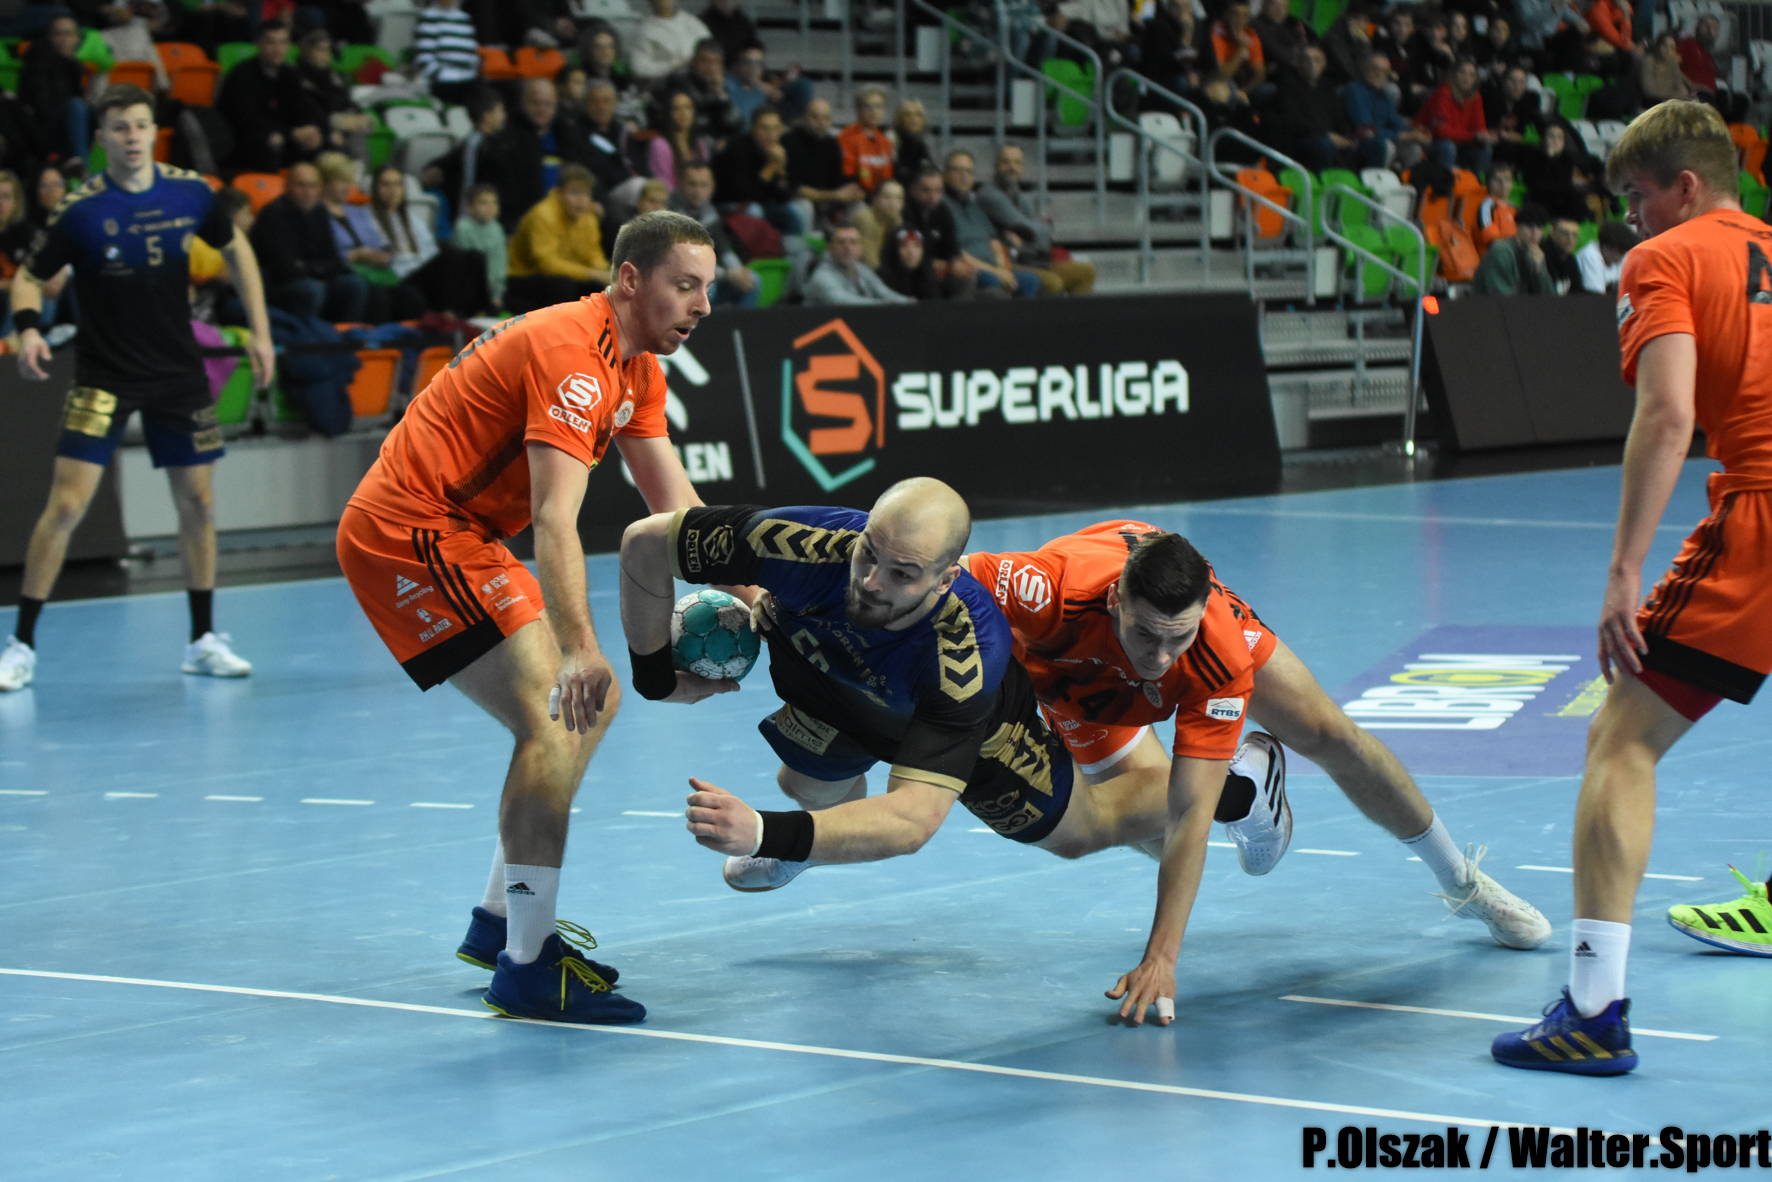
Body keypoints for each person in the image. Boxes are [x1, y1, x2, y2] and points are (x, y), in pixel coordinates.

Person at [335, 210, 727, 1025]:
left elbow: (675, 507)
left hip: (463, 532)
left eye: (708, 289)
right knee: (556, 714)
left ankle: (498, 922)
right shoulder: (573, 356)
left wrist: (762, 594)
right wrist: (581, 647)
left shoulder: (636, 366)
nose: (702, 305)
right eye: (685, 285)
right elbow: (554, 520)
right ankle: (525, 966)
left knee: (587, 708)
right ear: (630, 280)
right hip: (411, 530)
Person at [961, 522, 1551, 1014]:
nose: (1159, 657)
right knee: (1126, 831)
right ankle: (1241, 790)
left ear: (1199, 616)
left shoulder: (1215, 653)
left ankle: (1462, 880)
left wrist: (1161, 960)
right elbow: (942, 576)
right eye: (1145, 634)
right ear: (1117, 600)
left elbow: (1190, 812)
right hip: (1079, 687)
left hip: (1190, 661)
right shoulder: (1044, 589)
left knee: (1330, 736)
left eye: (1177, 637)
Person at [1490, 100, 1772, 1074]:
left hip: (1761, 515)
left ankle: (1592, 1010)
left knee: (1620, 739)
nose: (1629, 219)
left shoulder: (1663, 260)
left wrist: (1622, 571)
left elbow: (1666, 416)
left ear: (1684, 189)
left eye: (1636, 196)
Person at [0, 85, 275, 694]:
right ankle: (20, 645)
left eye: (141, 126)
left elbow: (236, 250)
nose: (132, 137)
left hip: (177, 373)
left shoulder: (189, 192)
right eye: (120, 127)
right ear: (101, 138)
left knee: (199, 503)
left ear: (155, 133)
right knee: (66, 505)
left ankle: (203, 640)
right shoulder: (80, 210)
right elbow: (27, 279)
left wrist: (260, 332)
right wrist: (29, 329)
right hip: (105, 375)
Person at [251, 160, 370, 322]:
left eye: (313, 186)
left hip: (313, 281)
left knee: (354, 283)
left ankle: (347, 333)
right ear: (286, 186)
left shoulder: (319, 211)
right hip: (279, 288)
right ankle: (304, 335)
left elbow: (334, 260)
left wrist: (310, 268)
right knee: (311, 289)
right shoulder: (273, 214)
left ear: (320, 188)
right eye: (301, 185)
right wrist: (319, 272)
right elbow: (284, 270)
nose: (308, 191)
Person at [973, 144, 1094, 296]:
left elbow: (1039, 239)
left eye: (1017, 162)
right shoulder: (989, 195)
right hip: (1005, 263)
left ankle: (1072, 312)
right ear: (995, 165)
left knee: (1087, 272)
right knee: (1053, 283)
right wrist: (1035, 232)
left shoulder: (1019, 195)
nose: (1012, 167)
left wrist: (1027, 237)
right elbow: (1030, 230)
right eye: (1006, 162)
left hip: (1030, 259)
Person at [368, 164, 489, 315]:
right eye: (386, 185)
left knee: (474, 257)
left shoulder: (410, 217)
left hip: (420, 267)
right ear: (375, 188)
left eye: (397, 184)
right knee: (446, 252)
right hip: (400, 274)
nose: (393, 190)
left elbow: (428, 248)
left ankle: (483, 310)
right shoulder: (368, 218)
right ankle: (449, 312)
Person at [215, 21, 325, 174]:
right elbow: (247, 119)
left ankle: (306, 185)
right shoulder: (242, 74)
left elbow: (302, 108)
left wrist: (308, 129)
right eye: (271, 42)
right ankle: (266, 186)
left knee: (316, 139)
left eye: (283, 43)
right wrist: (291, 133)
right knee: (272, 140)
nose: (277, 49)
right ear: (258, 44)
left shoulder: (290, 74)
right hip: (241, 139)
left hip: (283, 134)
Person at [505, 163, 612, 313]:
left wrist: (610, 274)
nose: (581, 200)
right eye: (574, 193)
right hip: (522, 276)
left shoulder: (587, 216)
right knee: (564, 286)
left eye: (586, 194)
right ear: (559, 193)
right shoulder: (543, 215)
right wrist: (592, 274)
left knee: (599, 289)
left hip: (567, 275)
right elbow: (547, 265)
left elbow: (593, 255)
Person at [942, 150, 1039, 298]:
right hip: (970, 268)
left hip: (992, 266)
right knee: (991, 280)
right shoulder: (942, 206)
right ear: (945, 174)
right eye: (958, 170)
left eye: (968, 171)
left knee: (1030, 281)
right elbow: (955, 252)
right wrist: (996, 272)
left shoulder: (975, 205)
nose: (964, 176)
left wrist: (1002, 268)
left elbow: (994, 243)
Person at [667, 161, 759, 306]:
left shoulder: (710, 213)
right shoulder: (670, 212)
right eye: (692, 184)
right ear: (680, 184)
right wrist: (728, 275)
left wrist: (738, 271)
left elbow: (724, 249)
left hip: (707, 274)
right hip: (676, 280)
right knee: (706, 288)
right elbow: (688, 261)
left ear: (711, 187)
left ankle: (739, 322)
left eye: (703, 185)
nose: (698, 191)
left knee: (753, 281)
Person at [483, 79, 569, 234]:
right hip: (522, 220)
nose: (542, 109)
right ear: (522, 103)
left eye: (548, 104)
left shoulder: (564, 133)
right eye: (536, 103)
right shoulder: (507, 138)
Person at [565, 81, 647, 217]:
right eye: (595, 101)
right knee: (641, 189)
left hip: (631, 187)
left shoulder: (622, 131)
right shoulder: (576, 134)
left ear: (615, 104)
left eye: (606, 101)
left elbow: (640, 163)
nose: (601, 106)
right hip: (605, 194)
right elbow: (589, 173)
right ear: (585, 104)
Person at [711, 104, 797, 233]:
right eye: (765, 128)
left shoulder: (778, 150)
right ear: (752, 128)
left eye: (775, 129)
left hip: (762, 204)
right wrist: (771, 167)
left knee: (800, 209)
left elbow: (784, 197)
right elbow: (744, 196)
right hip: (730, 206)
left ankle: (789, 245)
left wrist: (781, 171)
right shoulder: (737, 149)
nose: (771, 134)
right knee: (754, 210)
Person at [903, 165, 983, 300]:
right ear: (913, 189)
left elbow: (952, 248)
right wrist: (942, 265)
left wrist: (958, 264)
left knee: (968, 276)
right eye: (926, 190)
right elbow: (906, 255)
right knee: (927, 277)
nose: (932, 197)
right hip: (911, 272)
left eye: (937, 191)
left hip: (941, 271)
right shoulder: (904, 212)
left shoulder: (942, 210)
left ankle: (958, 313)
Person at [1268, 43, 1352, 171]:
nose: (1312, 64)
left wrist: (1348, 136)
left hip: (1326, 137)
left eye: (1316, 60)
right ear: (1299, 63)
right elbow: (1293, 120)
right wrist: (1326, 135)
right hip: (1301, 140)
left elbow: (1339, 118)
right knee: (1323, 144)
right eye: (1307, 60)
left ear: (1323, 64)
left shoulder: (1327, 87)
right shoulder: (1287, 84)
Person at [20, 14, 90, 164]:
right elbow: (41, 107)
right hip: (41, 129)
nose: (63, 40)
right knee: (76, 106)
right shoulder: (38, 62)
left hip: (64, 124)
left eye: (68, 34)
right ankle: (81, 164)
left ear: (77, 38)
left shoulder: (72, 65)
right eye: (57, 34)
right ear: (49, 37)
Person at [783, 97, 862, 231]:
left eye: (826, 118)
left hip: (826, 199)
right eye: (815, 117)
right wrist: (835, 195)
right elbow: (795, 189)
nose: (821, 122)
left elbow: (836, 180)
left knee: (859, 206)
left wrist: (853, 190)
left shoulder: (831, 144)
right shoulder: (790, 142)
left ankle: (845, 240)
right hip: (798, 200)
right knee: (805, 206)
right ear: (804, 117)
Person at [1344, 55, 1428, 169]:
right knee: (1387, 147)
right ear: (1365, 70)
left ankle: (1403, 178)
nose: (1379, 74)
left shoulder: (1383, 97)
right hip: (1355, 144)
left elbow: (1398, 126)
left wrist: (1416, 133)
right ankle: (1376, 179)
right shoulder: (1355, 90)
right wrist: (1403, 136)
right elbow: (1366, 132)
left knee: (1414, 150)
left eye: (1384, 72)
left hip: (1377, 141)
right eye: (1375, 69)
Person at [802, 220, 912, 305]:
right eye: (841, 242)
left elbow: (884, 292)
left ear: (861, 247)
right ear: (831, 248)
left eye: (853, 242)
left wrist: (910, 303)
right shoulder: (821, 275)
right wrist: (887, 305)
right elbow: (844, 302)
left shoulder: (861, 268)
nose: (847, 247)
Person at [1414, 59, 1495, 174]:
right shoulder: (1443, 92)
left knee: (1485, 150)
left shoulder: (1476, 97)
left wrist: (1485, 137)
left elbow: (1479, 128)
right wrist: (1473, 137)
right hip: (1428, 141)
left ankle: (1475, 183)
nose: (1467, 78)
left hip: (1459, 143)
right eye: (1462, 73)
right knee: (1448, 146)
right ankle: (1442, 183)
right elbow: (1441, 131)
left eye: (1471, 75)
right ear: (1454, 75)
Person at [660, 38, 744, 144]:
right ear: (694, 61)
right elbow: (689, 122)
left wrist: (720, 95)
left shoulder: (724, 85)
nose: (711, 67)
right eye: (705, 61)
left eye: (716, 62)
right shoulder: (679, 82)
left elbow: (736, 124)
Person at [412, 0, 482, 107]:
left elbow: (472, 55)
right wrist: (444, 76)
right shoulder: (428, 16)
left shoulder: (464, 18)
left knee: (503, 87)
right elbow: (424, 59)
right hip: (441, 82)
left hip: (467, 79)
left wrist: (471, 75)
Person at [1470, 200, 1550, 294]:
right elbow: (1502, 297)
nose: (1535, 233)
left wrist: (1539, 270)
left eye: (1539, 228)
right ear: (1518, 227)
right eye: (1529, 227)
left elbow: (1550, 297)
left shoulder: (1534, 255)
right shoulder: (1501, 253)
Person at [452, 183, 508, 308]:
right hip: (469, 289)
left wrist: (497, 293)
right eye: (483, 203)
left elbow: (499, 264)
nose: (490, 207)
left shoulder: (497, 229)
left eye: (494, 203)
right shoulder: (463, 227)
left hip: (494, 290)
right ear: (470, 207)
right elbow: (464, 267)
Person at [648, 89, 715, 192]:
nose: (683, 113)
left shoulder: (699, 144)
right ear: (668, 112)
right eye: (677, 109)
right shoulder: (660, 145)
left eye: (687, 107)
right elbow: (664, 186)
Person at [631, 0, 714, 82]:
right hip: (670, 83)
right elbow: (639, 69)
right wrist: (675, 67)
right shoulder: (646, 31)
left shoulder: (692, 22)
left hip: (703, 78)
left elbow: (711, 47)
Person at [838, 87, 894, 195]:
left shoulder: (886, 142)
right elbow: (847, 176)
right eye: (868, 106)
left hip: (880, 196)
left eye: (879, 106)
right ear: (859, 109)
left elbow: (887, 177)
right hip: (854, 194)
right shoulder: (846, 137)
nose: (874, 111)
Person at [1209, 0, 1267, 101]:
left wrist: (1244, 92)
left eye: (1244, 16)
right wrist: (1241, 49)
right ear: (1226, 15)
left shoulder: (1250, 33)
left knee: (1270, 90)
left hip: (1243, 85)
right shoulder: (1217, 32)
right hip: (1215, 80)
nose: (1239, 20)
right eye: (1235, 15)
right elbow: (1223, 74)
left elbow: (1259, 73)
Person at [849, 177, 901, 269]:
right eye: (887, 197)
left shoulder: (896, 221)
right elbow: (869, 262)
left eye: (898, 198)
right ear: (875, 198)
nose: (892, 203)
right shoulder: (865, 218)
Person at [877, 225, 939, 300]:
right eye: (904, 245)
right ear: (894, 250)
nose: (911, 251)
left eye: (916, 246)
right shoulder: (881, 280)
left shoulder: (928, 278)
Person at [1577, 218, 1635, 292]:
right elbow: (1596, 294)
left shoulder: (1620, 257)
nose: (1622, 256)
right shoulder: (1590, 256)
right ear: (1607, 247)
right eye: (1620, 252)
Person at [1637, 32, 1696, 105]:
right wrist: (1672, 95)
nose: (1667, 50)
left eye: (1671, 48)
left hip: (1670, 103)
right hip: (1652, 104)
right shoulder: (1649, 61)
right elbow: (1649, 91)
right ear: (1658, 45)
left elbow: (1679, 87)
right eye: (1664, 45)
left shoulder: (1673, 63)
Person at [1475, 162, 1518, 254]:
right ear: (1488, 183)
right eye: (1498, 180)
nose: (1503, 184)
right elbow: (1493, 241)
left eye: (1507, 180)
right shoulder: (1487, 206)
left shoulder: (1515, 208)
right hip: (1493, 256)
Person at [891, 99, 936, 185]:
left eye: (918, 115)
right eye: (908, 115)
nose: (913, 119)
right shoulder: (892, 140)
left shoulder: (925, 144)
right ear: (900, 119)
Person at [1543, 216, 1584, 292]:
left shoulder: (1571, 260)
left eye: (1574, 235)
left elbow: (1578, 293)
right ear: (1552, 232)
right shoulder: (1541, 257)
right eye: (1565, 233)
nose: (1570, 239)